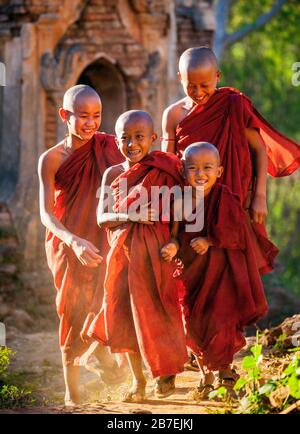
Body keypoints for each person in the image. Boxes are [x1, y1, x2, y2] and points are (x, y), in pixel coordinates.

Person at [162, 46, 300, 275]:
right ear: (179, 78)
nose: (198, 92)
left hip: (233, 198)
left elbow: (259, 150)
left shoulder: (233, 105)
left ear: (218, 76)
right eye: (190, 86)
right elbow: (169, 163)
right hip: (191, 203)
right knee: (194, 266)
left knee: (233, 262)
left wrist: (260, 196)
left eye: (205, 85)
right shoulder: (174, 115)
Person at [87, 110, 188, 402]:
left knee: (163, 311)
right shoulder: (113, 174)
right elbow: (102, 217)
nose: (132, 144)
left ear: (153, 139)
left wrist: (176, 242)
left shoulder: (166, 168)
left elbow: (180, 212)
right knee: (126, 317)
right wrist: (129, 214)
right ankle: (138, 380)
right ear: (116, 140)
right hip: (124, 256)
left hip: (158, 256)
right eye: (125, 138)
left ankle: (165, 371)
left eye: (139, 137)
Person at [38, 84, 125, 406]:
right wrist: (73, 241)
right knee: (73, 311)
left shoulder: (110, 147)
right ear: (65, 115)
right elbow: (46, 214)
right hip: (67, 242)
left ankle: (101, 353)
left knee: (106, 299)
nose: (91, 123)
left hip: (103, 238)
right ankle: (71, 391)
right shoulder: (51, 159)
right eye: (83, 116)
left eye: (97, 116)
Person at [161, 142, 268, 397]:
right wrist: (173, 247)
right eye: (193, 168)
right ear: (184, 171)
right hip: (191, 274)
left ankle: (226, 375)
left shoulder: (227, 199)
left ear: (219, 171)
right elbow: (175, 234)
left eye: (207, 167)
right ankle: (205, 376)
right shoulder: (181, 200)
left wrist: (210, 240)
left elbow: (238, 233)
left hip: (222, 275)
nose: (200, 174)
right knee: (193, 324)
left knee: (222, 322)